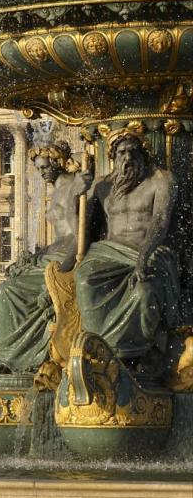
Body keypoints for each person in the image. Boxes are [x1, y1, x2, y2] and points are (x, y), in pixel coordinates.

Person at [0, 141, 89, 374]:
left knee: (7, 292)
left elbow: (80, 236)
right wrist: (35, 257)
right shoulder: (58, 189)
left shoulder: (73, 187)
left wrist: (59, 275)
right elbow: (61, 236)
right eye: (39, 168)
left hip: (65, 261)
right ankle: (11, 356)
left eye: (46, 167)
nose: (42, 172)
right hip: (51, 257)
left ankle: (8, 359)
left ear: (58, 162)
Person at [75, 131, 180, 365]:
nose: (128, 156)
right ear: (113, 156)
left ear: (143, 154)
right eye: (122, 152)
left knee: (144, 293)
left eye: (133, 151)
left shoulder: (162, 180)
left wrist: (144, 256)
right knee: (84, 279)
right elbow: (81, 227)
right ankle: (97, 350)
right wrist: (76, 193)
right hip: (109, 253)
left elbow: (161, 221)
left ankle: (138, 355)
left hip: (147, 251)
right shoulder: (102, 185)